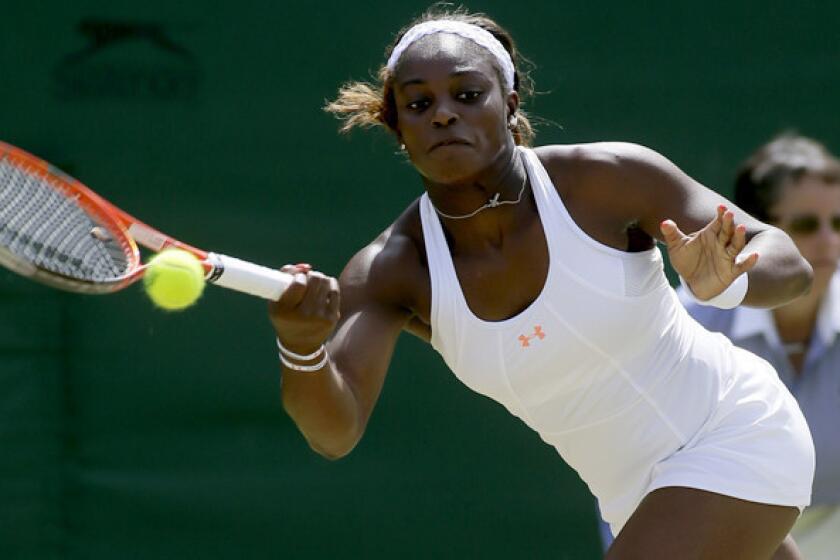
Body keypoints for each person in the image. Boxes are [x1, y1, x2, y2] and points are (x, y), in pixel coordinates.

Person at [269, 7, 815, 558]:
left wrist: (729, 281)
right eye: (418, 104)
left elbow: (788, 261)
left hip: (736, 431)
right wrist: (301, 347)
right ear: (398, 128)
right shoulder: (393, 270)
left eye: (467, 94)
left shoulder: (605, 178)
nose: (442, 115)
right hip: (635, 498)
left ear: (508, 105)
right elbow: (334, 433)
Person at [679, 134, 840, 559]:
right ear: (761, 233)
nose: (829, 242)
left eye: (839, 224)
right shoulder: (691, 325)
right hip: (721, 541)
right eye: (807, 225)